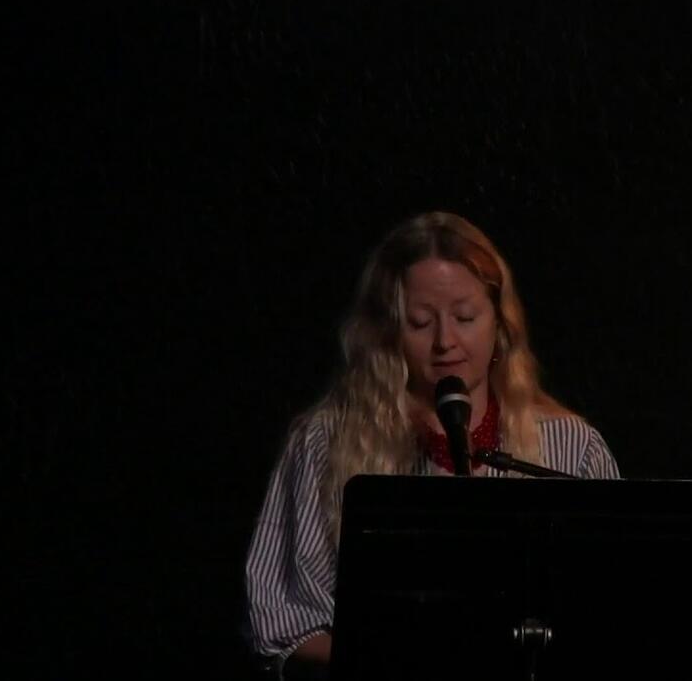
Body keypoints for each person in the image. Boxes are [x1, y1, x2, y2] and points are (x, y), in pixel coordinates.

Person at [242, 211, 620, 679]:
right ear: (387, 332)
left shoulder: (573, 447)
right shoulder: (325, 445)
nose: (445, 341)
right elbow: (284, 625)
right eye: (420, 323)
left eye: (465, 317)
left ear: (500, 324)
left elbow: (613, 615)